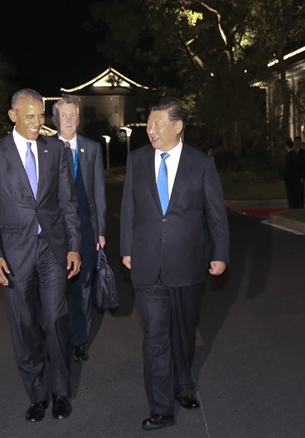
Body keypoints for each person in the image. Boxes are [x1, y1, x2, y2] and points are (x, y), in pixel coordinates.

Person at [120, 97, 229, 431]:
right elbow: (128, 208)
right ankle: (161, 408)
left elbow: (215, 213)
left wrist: (220, 252)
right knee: (155, 337)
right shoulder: (137, 160)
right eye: (148, 124)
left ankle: (183, 385)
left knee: (183, 334)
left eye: (158, 124)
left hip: (188, 263)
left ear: (177, 125)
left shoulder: (201, 163)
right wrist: (126, 248)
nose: (150, 130)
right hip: (147, 264)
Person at [0, 89, 82, 422]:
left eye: (41, 115)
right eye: (30, 116)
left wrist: (74, 245)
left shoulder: (56, 151)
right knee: (25, 325)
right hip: (14, 253)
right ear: (13, 116)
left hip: (53, 249)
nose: (38, 122)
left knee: (56, 319)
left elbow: (68, 203)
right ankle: (37, 394)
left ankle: (60, 392)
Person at [52, 97, 106, 363]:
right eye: (64, 115)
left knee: (83, 288)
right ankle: (56, 339)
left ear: (79, 119)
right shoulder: (45, 148)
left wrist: (101, 231)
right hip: (54, 233)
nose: (69, 119)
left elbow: (99, 193)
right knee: (55, 290)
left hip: (85, 231)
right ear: (55, 120)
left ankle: (79, 341)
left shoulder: (92, 149)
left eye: (73, 115)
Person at [293, 136, 305, 208]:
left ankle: (300, 207)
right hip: (293, 177)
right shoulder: (291, 152)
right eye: (295, 142)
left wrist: (303, 176)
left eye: (297, 142)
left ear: (300, 143)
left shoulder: (303, 153)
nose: (296, 143)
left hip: (300, 176)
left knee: (300, 192)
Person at [282, 139, 297, 209]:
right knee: (294, 194)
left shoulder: (288, 156)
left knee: (290, 194)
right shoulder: (295, 154)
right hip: (295, 178)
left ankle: (291, 207)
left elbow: (287, 168)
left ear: (287, 146)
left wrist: (284, 178)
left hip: (289, 179)